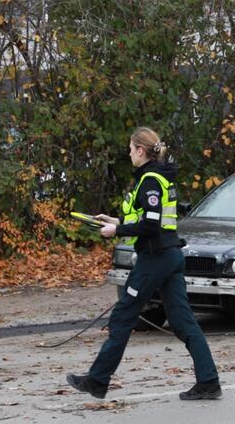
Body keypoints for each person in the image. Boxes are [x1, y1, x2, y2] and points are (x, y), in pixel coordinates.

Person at [66, 127, 222, 400]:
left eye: (130, 149)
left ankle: (97, 381)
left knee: (123, 317)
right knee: (184, 323)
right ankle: (209, 382)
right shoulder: (157, 178)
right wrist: (116, 221)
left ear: (140, 150)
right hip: (169, 255)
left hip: (157, 258)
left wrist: (118, 232)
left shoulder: (149, 180)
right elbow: (152, 220)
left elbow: (150, 225)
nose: (128, 154)